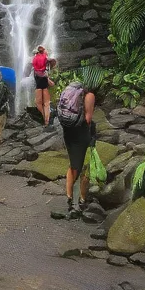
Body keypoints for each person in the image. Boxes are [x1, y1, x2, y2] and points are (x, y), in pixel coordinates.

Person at [56, 64, 103, 217]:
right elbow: (88, 119)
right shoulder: (89, 95)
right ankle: (77, 201)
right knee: (79, 167)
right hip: (80, 133)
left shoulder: (73, 90)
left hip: (68, 131)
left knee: (73, 165)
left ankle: (70, 196)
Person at [32, 45, 52, 126]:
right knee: (46, 103)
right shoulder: (46, 58)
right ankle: (47, 120)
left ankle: (44, 118)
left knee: (38, 103)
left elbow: (33, 66)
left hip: (38, 82)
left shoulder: (35, 59)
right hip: (44, 80)